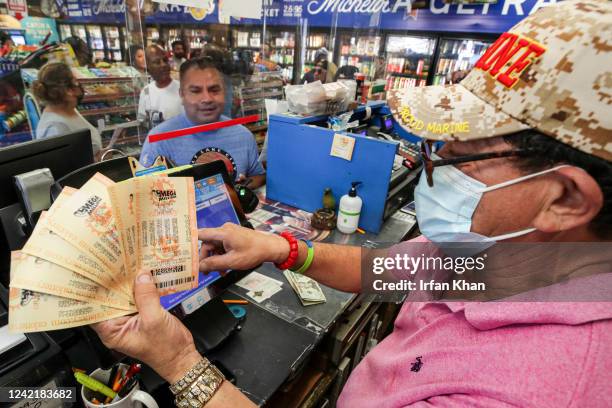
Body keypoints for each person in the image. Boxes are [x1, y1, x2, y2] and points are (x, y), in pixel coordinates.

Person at [94, 1, 611, 407]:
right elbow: (380, 271)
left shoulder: (543, 389)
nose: (434, 166)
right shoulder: (514, 257)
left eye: (459, 156)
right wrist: (280, 248)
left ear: (563, 198)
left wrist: (180, 361)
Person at [139, 57, 265, 188]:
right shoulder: (158, 141)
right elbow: (144, 192)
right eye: (196, 91)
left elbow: (257, 175)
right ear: (182, 95)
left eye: (214, 90)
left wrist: (242, 188)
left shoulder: (243, 136)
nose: (207, 98)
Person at [32, 62, 102, 156]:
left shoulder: (70, 110)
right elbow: (64, 168)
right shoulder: (55, 128)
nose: (79, 86)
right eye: (75, 82)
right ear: (68, 91)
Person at [137, 45, 182, 127]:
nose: (163, 65)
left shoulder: (183, 89)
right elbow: (142, 120)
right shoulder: (146, 91)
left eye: (165, 60)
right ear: (148, 67)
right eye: (157, 62)